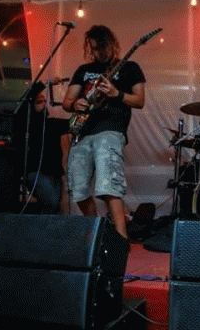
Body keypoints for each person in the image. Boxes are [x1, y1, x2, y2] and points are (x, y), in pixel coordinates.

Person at [62, 25, 146, 239]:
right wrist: (74, 104)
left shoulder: (129, 67)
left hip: (110, 130)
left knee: (109, 186)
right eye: (94, 48)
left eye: (102, 47)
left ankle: (121, 239)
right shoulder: (83, 70)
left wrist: (117, 94)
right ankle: (96, 233)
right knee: (77, 189)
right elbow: (67, 101)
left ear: (112, 44)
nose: (99, 52)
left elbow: (139, 100)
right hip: (82, 132)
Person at [19, 81, 65, 215]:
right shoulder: (27, 122)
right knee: (52, 202)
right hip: (36, 172)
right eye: (39, 102)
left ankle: (43, 227)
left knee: (54, 207)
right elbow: (26, 96)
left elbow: (72, 124)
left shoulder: (52, 123)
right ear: (31, 104)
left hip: (55, 172)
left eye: (45, 101)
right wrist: (45, 84)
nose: (44, 104)